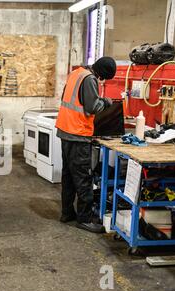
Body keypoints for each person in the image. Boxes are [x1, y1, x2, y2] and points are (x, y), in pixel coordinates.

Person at [55, 57, 117, 233]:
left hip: (65, 131)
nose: (102, 81)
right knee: (83, 178)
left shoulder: (76, 73)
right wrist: (106, 101)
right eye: (104, 78)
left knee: (68, 176)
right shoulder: (90, 79)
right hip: (78, 134)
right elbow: (93, 107)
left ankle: (67, 213)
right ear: (102, 74)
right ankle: (84, 218)